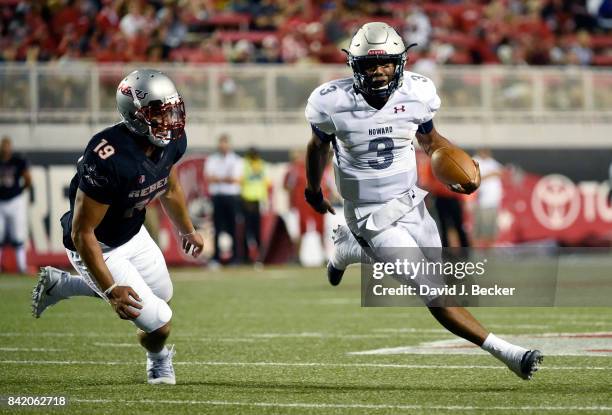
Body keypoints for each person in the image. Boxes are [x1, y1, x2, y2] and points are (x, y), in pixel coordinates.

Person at [304, 22, 542, 380]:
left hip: (412, 202)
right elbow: (317, 146)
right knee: (431, 290)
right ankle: (509, 354)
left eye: (386, 63)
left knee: (438, 275)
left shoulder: (417, 92)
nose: (379, 70)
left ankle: (347, 248)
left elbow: (430, 141)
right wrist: (313, 189)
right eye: (370, 63)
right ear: (355, 65)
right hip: (369, 213)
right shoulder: (330, 101)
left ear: (400, 62)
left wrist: (458, 166)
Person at [31, 69, 204, 385]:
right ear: (135, 114)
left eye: (173, 109)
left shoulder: (173, 140)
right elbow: (82, 232)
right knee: (160, 323)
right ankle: (158, 359)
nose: (170, 120)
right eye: (158, 112)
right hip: (98, 245)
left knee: (163, 294)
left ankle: (62, 286)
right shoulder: (108, 154)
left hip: (133, 235)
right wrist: (110, 291)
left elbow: (169, 185)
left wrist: (187, 230)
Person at [205, 134, 242, 264]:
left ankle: (235, 257)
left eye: (225, 143)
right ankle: (216, 257)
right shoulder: (212, 159)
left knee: (233, 227)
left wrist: (219, 178)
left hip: (231, 197)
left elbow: (236, 180)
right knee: (217, 228)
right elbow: (209, 178)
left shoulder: (236, 160)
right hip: (217, 197)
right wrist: (226, 178)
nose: (223, 146)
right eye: (221, 143)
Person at [0, 136, 31, 273]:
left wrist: (20, 191)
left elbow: (28, 178)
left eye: (7, 145)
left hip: (15, 201)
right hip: (0, 201)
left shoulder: (18, 161)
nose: (5, 149)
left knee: (18, 236)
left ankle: (22, 267)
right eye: (3, 145)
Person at [240, 147, 270, 263]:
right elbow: (241, 180)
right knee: (247, 230)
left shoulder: (262, 165)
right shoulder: (245, 164)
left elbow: (265, 183)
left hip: (257, 201)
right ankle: (246, 257)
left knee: (257, 231)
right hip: (247, 200)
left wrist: (264, 200)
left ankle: (260, 257)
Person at [472, 148, 504, 247]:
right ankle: (476, 252)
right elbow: (473, 178)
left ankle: (489, 252)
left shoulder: (492, 162)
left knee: (492, 229)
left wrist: (494, 174)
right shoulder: (474, 161)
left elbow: (501, 172)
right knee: (479, 229)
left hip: (494, 201)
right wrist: (490, 174)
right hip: (481, 202)